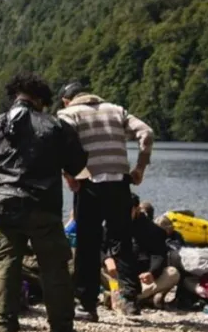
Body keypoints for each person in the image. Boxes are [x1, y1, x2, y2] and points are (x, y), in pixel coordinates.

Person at [0, 71, 88, 332]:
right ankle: (61, 331)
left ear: (15, 96)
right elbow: (76, 165)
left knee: (5, 264)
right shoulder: (55, 126)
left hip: (3, 206)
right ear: (40, 99)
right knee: (54, 268)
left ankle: (4, 327)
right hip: (43, 206)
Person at [57, 81, 155, 319]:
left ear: (66, 100)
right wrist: (140, 167)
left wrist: (69, 175)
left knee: (87, 246)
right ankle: (131, 302)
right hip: (120, 184)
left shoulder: (68, 113)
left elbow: (60, 143)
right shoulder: (116, 110)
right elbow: (147, 133)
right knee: (122, 241)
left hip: (89, 185)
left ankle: (87, 305)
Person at [111, 194, 180, 308]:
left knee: (173, 273)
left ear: (137, 209)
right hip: (117, 274)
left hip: (141, 277)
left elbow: (159, 254)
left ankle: (130, 297)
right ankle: (142, 297)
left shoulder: (152, 230)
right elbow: (100, 247)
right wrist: (107, 259)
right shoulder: (112, 225)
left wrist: (152, 272)